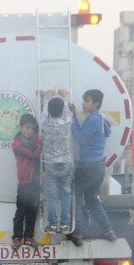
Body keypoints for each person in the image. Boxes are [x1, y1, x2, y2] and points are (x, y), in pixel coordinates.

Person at [70, 89, 117, 244]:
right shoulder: (101, 120)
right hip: (99, 167)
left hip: (88, 166)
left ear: (96, 103)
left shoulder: (93, 120)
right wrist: (75, 117)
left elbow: (81, 138)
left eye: (87, 101)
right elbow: (88, 134)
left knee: (76, 197)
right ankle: (108, 230)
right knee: (91, 199)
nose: (84, 103)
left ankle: (78, 233)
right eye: (84, 100)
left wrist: (71, 121)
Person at [41, 89, 74, 235]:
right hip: (66, 163)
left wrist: (46, 98)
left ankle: (53, 225)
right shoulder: (67, 122)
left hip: (50, 164)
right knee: (66, 195)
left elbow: (43, 114)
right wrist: (65, 96)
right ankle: (66, 225)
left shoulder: (46, 124)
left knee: (52, 196)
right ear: (62, 111)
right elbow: (67, 112)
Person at [11, 114, 43, 248]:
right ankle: (17, 238)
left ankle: (29, 237)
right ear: (21, 127)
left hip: (35, 182)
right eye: (27, 128)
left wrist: (38, 142)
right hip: (24, 183)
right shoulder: (17, 144)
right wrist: (41, 142)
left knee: (32, 211)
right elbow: (34, 154)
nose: (30, 131)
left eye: (32, 129)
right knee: (20, 212)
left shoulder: (33, 140)